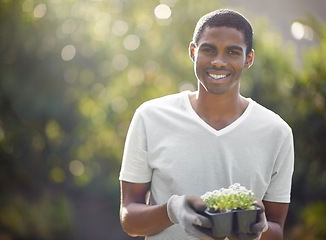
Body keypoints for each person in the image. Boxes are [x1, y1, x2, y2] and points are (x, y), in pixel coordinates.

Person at [119, 9, 294, 240]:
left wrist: (255, 232)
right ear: (193, 52)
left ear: (248, 59)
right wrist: (172, 210)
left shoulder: (277, 132)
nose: (218, 62)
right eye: (208, 50)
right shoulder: (150, 117)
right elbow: (129, 220)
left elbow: (277, 230)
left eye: (232, 52)